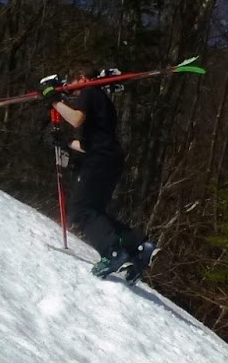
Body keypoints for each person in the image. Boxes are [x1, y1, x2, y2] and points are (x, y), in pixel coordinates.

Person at [41, 66, 158, 282]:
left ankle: (112, 250)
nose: (74, 93)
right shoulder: (102, 101)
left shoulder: (89, 91)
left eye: (72, 85)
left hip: (101, 159)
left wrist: (54, 100)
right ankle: (138, 246)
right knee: (94, 210)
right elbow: (90, 144)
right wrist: (65, 142)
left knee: (80, 209)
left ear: (82, 78)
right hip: (110, 158)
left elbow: (76, 119)